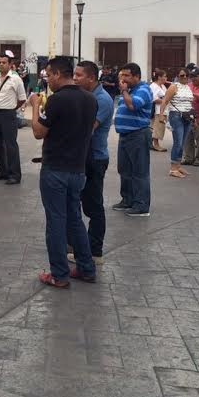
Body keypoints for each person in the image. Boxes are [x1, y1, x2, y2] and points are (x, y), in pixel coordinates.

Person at [29, 56, 98, 288]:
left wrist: (36, 105)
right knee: (75, 220)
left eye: (49, 75)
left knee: (56, 222)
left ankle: (59, 274)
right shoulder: (90, 100)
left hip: (56, 168)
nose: (47, 79)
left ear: (58, 74)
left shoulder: (57, 101)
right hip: (77, 168)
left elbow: (39, 132)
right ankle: (87, 268)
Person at [70, 60, 114, 266]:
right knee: (76, 201)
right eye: (74, 75)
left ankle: (95, 251)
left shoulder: (102, 100)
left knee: (94, 206)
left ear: (91, 78)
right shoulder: (86, 97)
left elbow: (87, 128)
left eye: (79, 75)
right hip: (82, 157)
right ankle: (77, 245)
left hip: (95, 159)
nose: (75, 78)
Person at [113, 63, 153, 217]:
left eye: (127, 76)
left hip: (138, 135)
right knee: (125, 170)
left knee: (139, 171)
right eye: (122, 76)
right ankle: (127, 200)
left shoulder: (143, 90)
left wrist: (123, 91)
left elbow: (132, 106)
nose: (123, 79)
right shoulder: (129, 91)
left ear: (137, 76)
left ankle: (141, 205)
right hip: (125, 135)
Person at [0, 54, 27, 185]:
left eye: (4, 62)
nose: (1, 64)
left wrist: (12, 108)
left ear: (10, 64)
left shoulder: (16, 79)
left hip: (8, 115)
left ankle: (15, 174)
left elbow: (22, 98)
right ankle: (3, 171)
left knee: (11, 145)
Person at [160, 68, 194, 179]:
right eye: (181, 75)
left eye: (186, 75)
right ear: (177, 76)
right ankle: (173, 168)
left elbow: (190, 102)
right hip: (176, 116)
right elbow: (165, 101)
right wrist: (161, 115)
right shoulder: (174, 86)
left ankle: (178, 166)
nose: (184, 77)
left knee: (182, 142)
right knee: (178, 142)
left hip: (187, 117)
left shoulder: (188, 87)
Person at [182, 68, 199, 168]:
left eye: (195, 76)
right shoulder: (189, 85)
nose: (193, 79)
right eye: (191, 76)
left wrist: (193, 95)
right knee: (188, 138)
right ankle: (189, 158)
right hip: (188, 116)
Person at [149, 70, 168, 152]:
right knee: (157, 127)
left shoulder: (163, 86)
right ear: (159, 77)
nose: (166, 78)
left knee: (158, 127)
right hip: (157, 110)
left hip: (164, 109)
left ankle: (150, 143)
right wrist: (165, 101)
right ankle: (156, 145)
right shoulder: (153, 86)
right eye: (164, 76)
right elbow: (154, 99)